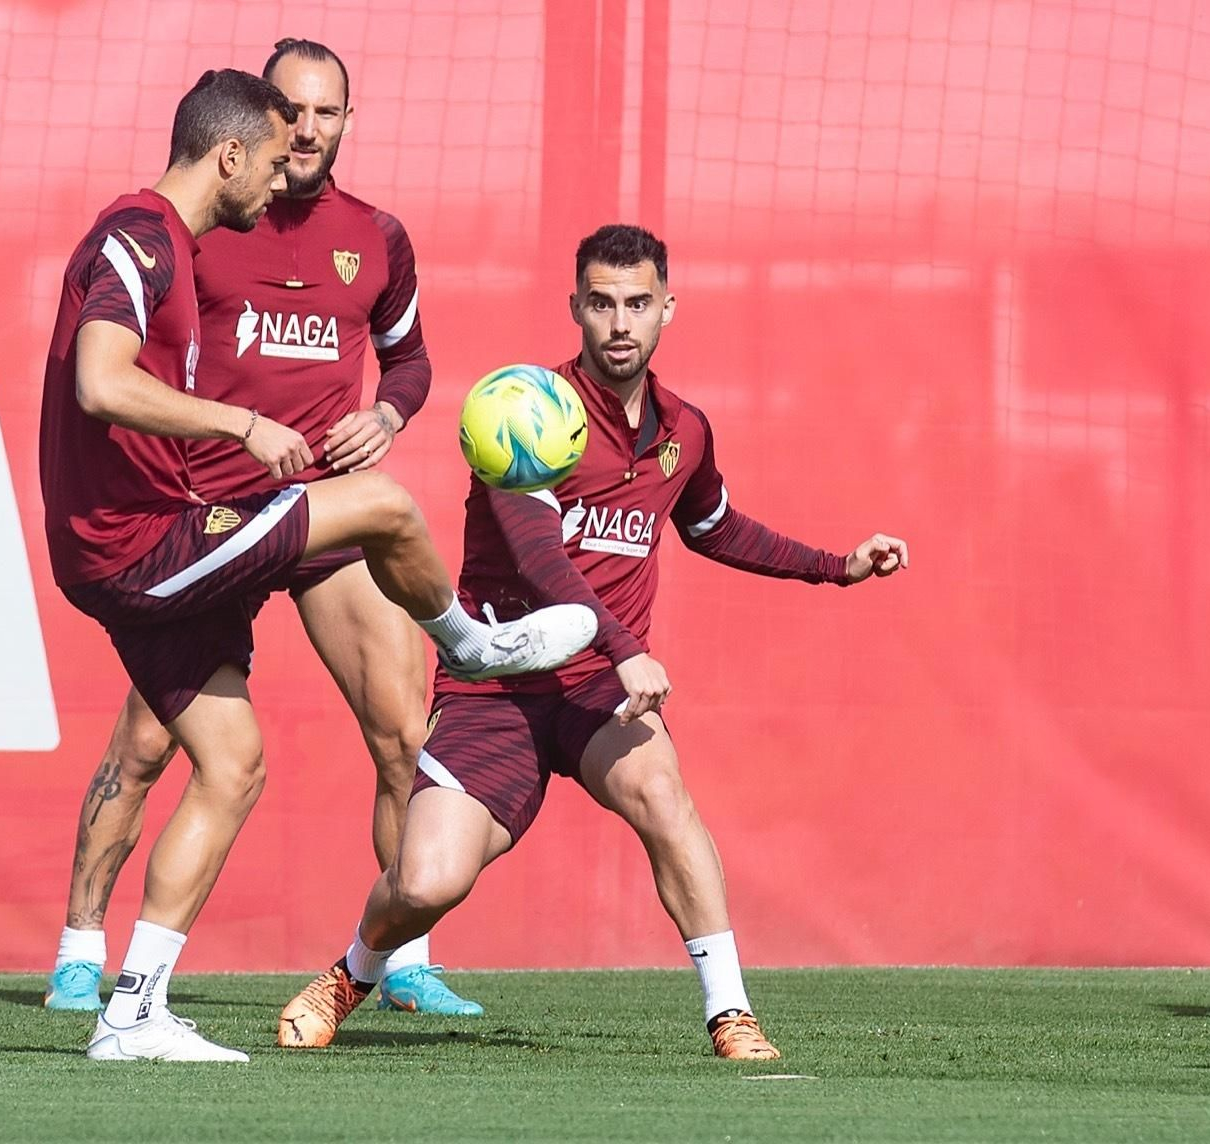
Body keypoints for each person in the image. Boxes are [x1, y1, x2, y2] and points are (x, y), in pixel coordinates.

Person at [37, 69, 596, 1062]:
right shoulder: (143, 235)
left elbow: (406, 359)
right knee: (386, 508)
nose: (291, 152)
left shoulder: (357, 235)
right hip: (154, 537)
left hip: (183, 529)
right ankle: (476, 643)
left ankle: (132, 1012)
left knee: (233, 763)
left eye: (321, 114)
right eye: (274, 135)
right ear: (231, 155)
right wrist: (242, 423)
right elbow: (97, 377)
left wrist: (379, 412)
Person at [275, 224, 909, 1060]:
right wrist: (624, 645)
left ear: (667, 310)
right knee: (426, 882)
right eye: (602, 303)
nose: (620, 323)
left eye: (638, 304)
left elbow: (717, 527)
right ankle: (350, 973)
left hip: (598, 693)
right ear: (576, 307)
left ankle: (731, 1014)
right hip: (496, 686)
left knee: (663, 799)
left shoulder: (685, 428)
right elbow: (540, 559)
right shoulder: (528, 410)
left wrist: (838, 566)